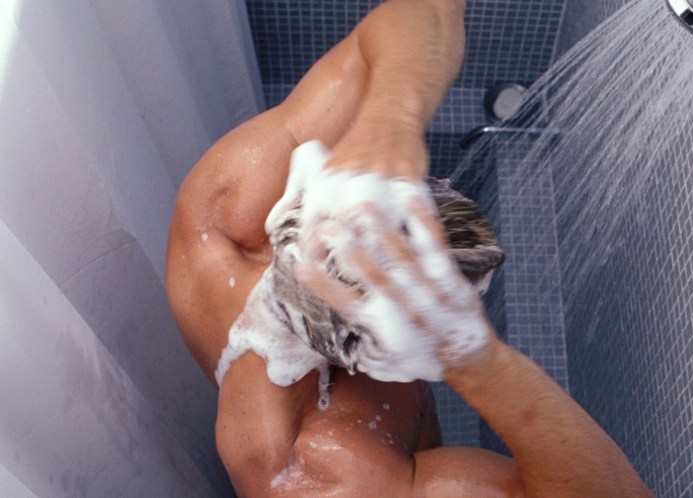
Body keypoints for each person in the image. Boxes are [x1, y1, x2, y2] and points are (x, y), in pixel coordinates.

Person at [166, 0, 654, 495]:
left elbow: (437, 7)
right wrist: (477, 362)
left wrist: (392, 116)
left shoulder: (226, 217)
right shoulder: (330, 476)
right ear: (381, 350)